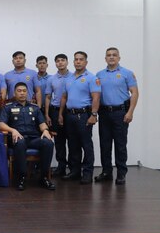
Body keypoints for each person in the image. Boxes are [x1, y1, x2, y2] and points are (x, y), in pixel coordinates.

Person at [0, 83, 56, 191]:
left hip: (34, 138)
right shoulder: (8, 107)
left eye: (24, 91)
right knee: (20, 143)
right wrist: (13, 130)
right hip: (17, 138)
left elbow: (42, 123)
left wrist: (46, 130)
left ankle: (44, 177)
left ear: (27, 93)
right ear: (14, 93)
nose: (22, 93)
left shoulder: (35, 108)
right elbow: (1, 125)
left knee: (48, 143)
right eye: (19, 91)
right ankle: (22, 177)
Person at [95, 47, 138, 185]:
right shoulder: (99, 74)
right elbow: (95, 95)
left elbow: (135, 93)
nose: (111, 57)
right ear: (105, 58)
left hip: (121, 113)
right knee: (105, 144)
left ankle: (121, 173)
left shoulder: (127, 73)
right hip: (104, 113)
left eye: (114, 55)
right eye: (109, 55)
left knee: (120, 144)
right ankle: (107, 172)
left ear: (119, 58)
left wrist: (130, 111)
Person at [59, 51, 101, 184]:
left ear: (86, 62)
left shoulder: (91, 78)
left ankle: (87, 173)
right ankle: (75, 171)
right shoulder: (69, 78)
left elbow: (96, 97)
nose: (78, 61)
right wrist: (60, 114)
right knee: (73, 144)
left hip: (84, 115)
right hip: (70, 115)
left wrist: (94, 114)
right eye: (76, 59)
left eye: (81, 59)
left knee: (86, 144)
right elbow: (64, 97)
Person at [44, 54, 71, 177]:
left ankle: (73, 167)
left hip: (70, 111)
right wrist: (47, 115)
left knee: (73, 140)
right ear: (55, 63)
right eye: (58, 61)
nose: (60, 63)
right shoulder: (51, 79)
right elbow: (48, 97)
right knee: (59, 141)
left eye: (62, 60)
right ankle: (61, 167)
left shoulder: (74, 77)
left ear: (67, 62)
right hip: (54, 111)